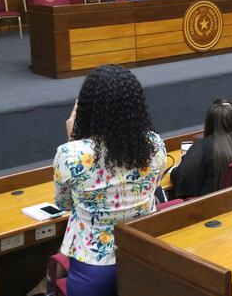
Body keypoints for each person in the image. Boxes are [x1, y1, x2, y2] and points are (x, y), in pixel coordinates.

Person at [53, 65, 167, 296]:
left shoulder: (70, 154)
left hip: (93, 266)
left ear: (84, 109)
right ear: (136, 108)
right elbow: (153, 188)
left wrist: (74, 139)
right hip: (143, 256)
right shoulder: (155, 145)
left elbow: (64, 204)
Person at [171, 99, 232, 198]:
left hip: (210, 207)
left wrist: (175, 170)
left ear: (209, 123)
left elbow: (181, 179)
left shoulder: (201, 148)